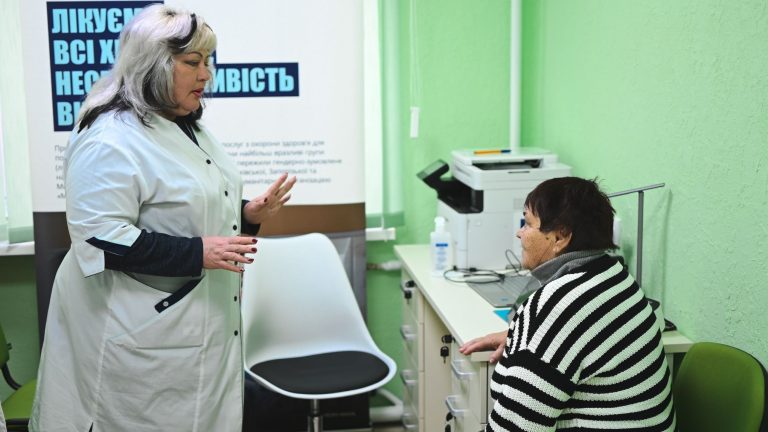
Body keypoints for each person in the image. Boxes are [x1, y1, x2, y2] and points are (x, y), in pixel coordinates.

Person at [29, 5, 296, 431]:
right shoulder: (110, 137)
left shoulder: (183, 124)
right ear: (151, 63)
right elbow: (99, 237)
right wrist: (197, 253)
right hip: (133, 335)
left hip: (192, 327)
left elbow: (191, 207)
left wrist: (246, 215)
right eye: (192, 62)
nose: (206, 74)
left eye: (208, 61)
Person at [459, 177, 674, 431]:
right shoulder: (615, 277)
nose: (519, 232)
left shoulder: (558, 308)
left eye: (527, 223)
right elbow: (580, 335)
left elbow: (515, 427)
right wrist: (525, 338)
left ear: (560, 237)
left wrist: (536, 334)